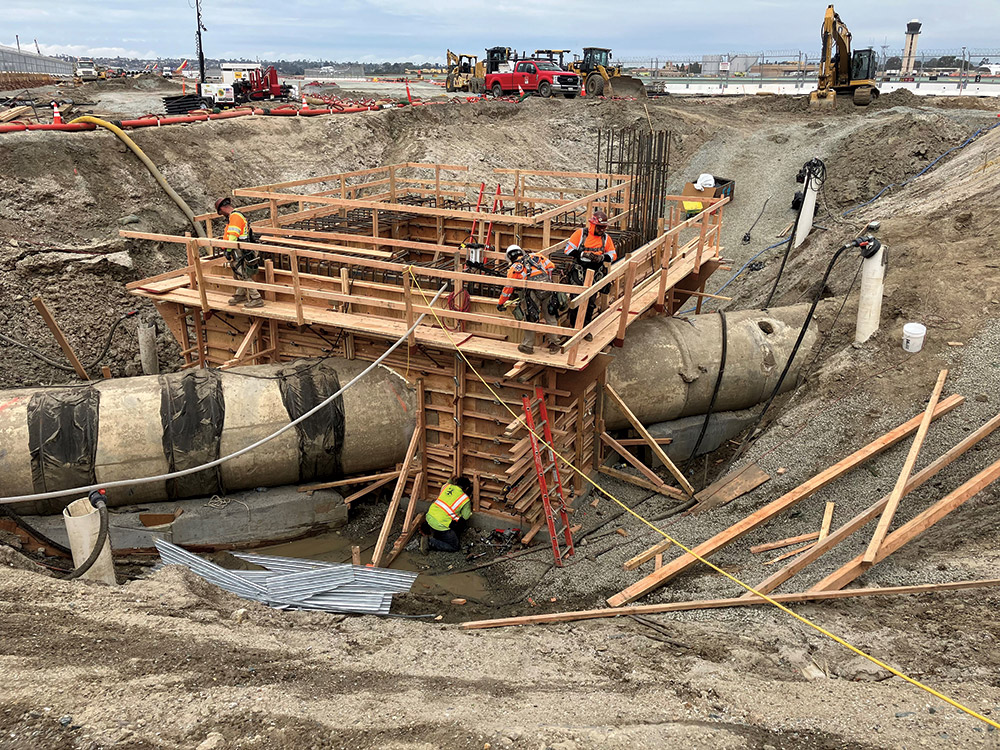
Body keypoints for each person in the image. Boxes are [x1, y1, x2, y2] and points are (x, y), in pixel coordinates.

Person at [564, 209, 618, 340]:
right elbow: (568, 250)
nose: (602, 230)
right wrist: (582, 254)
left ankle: (585, 329)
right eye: (599, 227)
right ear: (593, 225)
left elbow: (613, 254)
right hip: (579, 271)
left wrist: (602, 257)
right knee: (576, 299)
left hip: (595, 273)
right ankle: (574, 328)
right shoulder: (580, 234)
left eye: (604, 228)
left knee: (590, 302)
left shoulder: (606, 238)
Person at [497, 244, 558, 355]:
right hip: (548, 288)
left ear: (510, 257)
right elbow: (551, 266)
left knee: (530, 318)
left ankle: (527, 346)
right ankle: (554, 343)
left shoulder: (515, 268)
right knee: (550, 316)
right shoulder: (537, 256)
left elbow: (508, 289)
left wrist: (501, 303)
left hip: (532, 293)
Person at [215, 197, 263, 309]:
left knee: (243, 274)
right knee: (237, 273)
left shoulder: (235, 217)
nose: (222, 215)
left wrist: (228, 250)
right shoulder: (236, 215)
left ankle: (256, 298)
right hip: (239, 249)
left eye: (221, 213)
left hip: (240, 250)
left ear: (222, 209)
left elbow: (233, 236)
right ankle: (240, 294)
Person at [419, 477, 474, 553]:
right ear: (467, 488)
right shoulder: (465, 499)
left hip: (429, 516)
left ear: (456, 483)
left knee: (442, 524)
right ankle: (429, 542)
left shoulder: (446, 486)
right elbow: (466, 516)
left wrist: (451, 478)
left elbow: (449, 481)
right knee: (454, 546)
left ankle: (433, 532)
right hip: (441, 523)